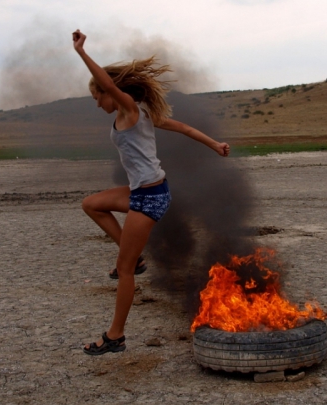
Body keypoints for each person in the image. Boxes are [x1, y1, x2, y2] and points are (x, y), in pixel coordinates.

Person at [73, 29, 230, 355]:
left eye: (96, 97)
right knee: (92, 204)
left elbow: (111, 85)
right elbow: (183, 127)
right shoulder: (141, 113)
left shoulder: (131, 110)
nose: (96, 103)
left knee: (125, 269)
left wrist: (82, 53)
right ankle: (135, 257)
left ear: (107, 93)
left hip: (150, 197)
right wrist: (215, 144)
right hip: (142, 191)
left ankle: (115, 336)